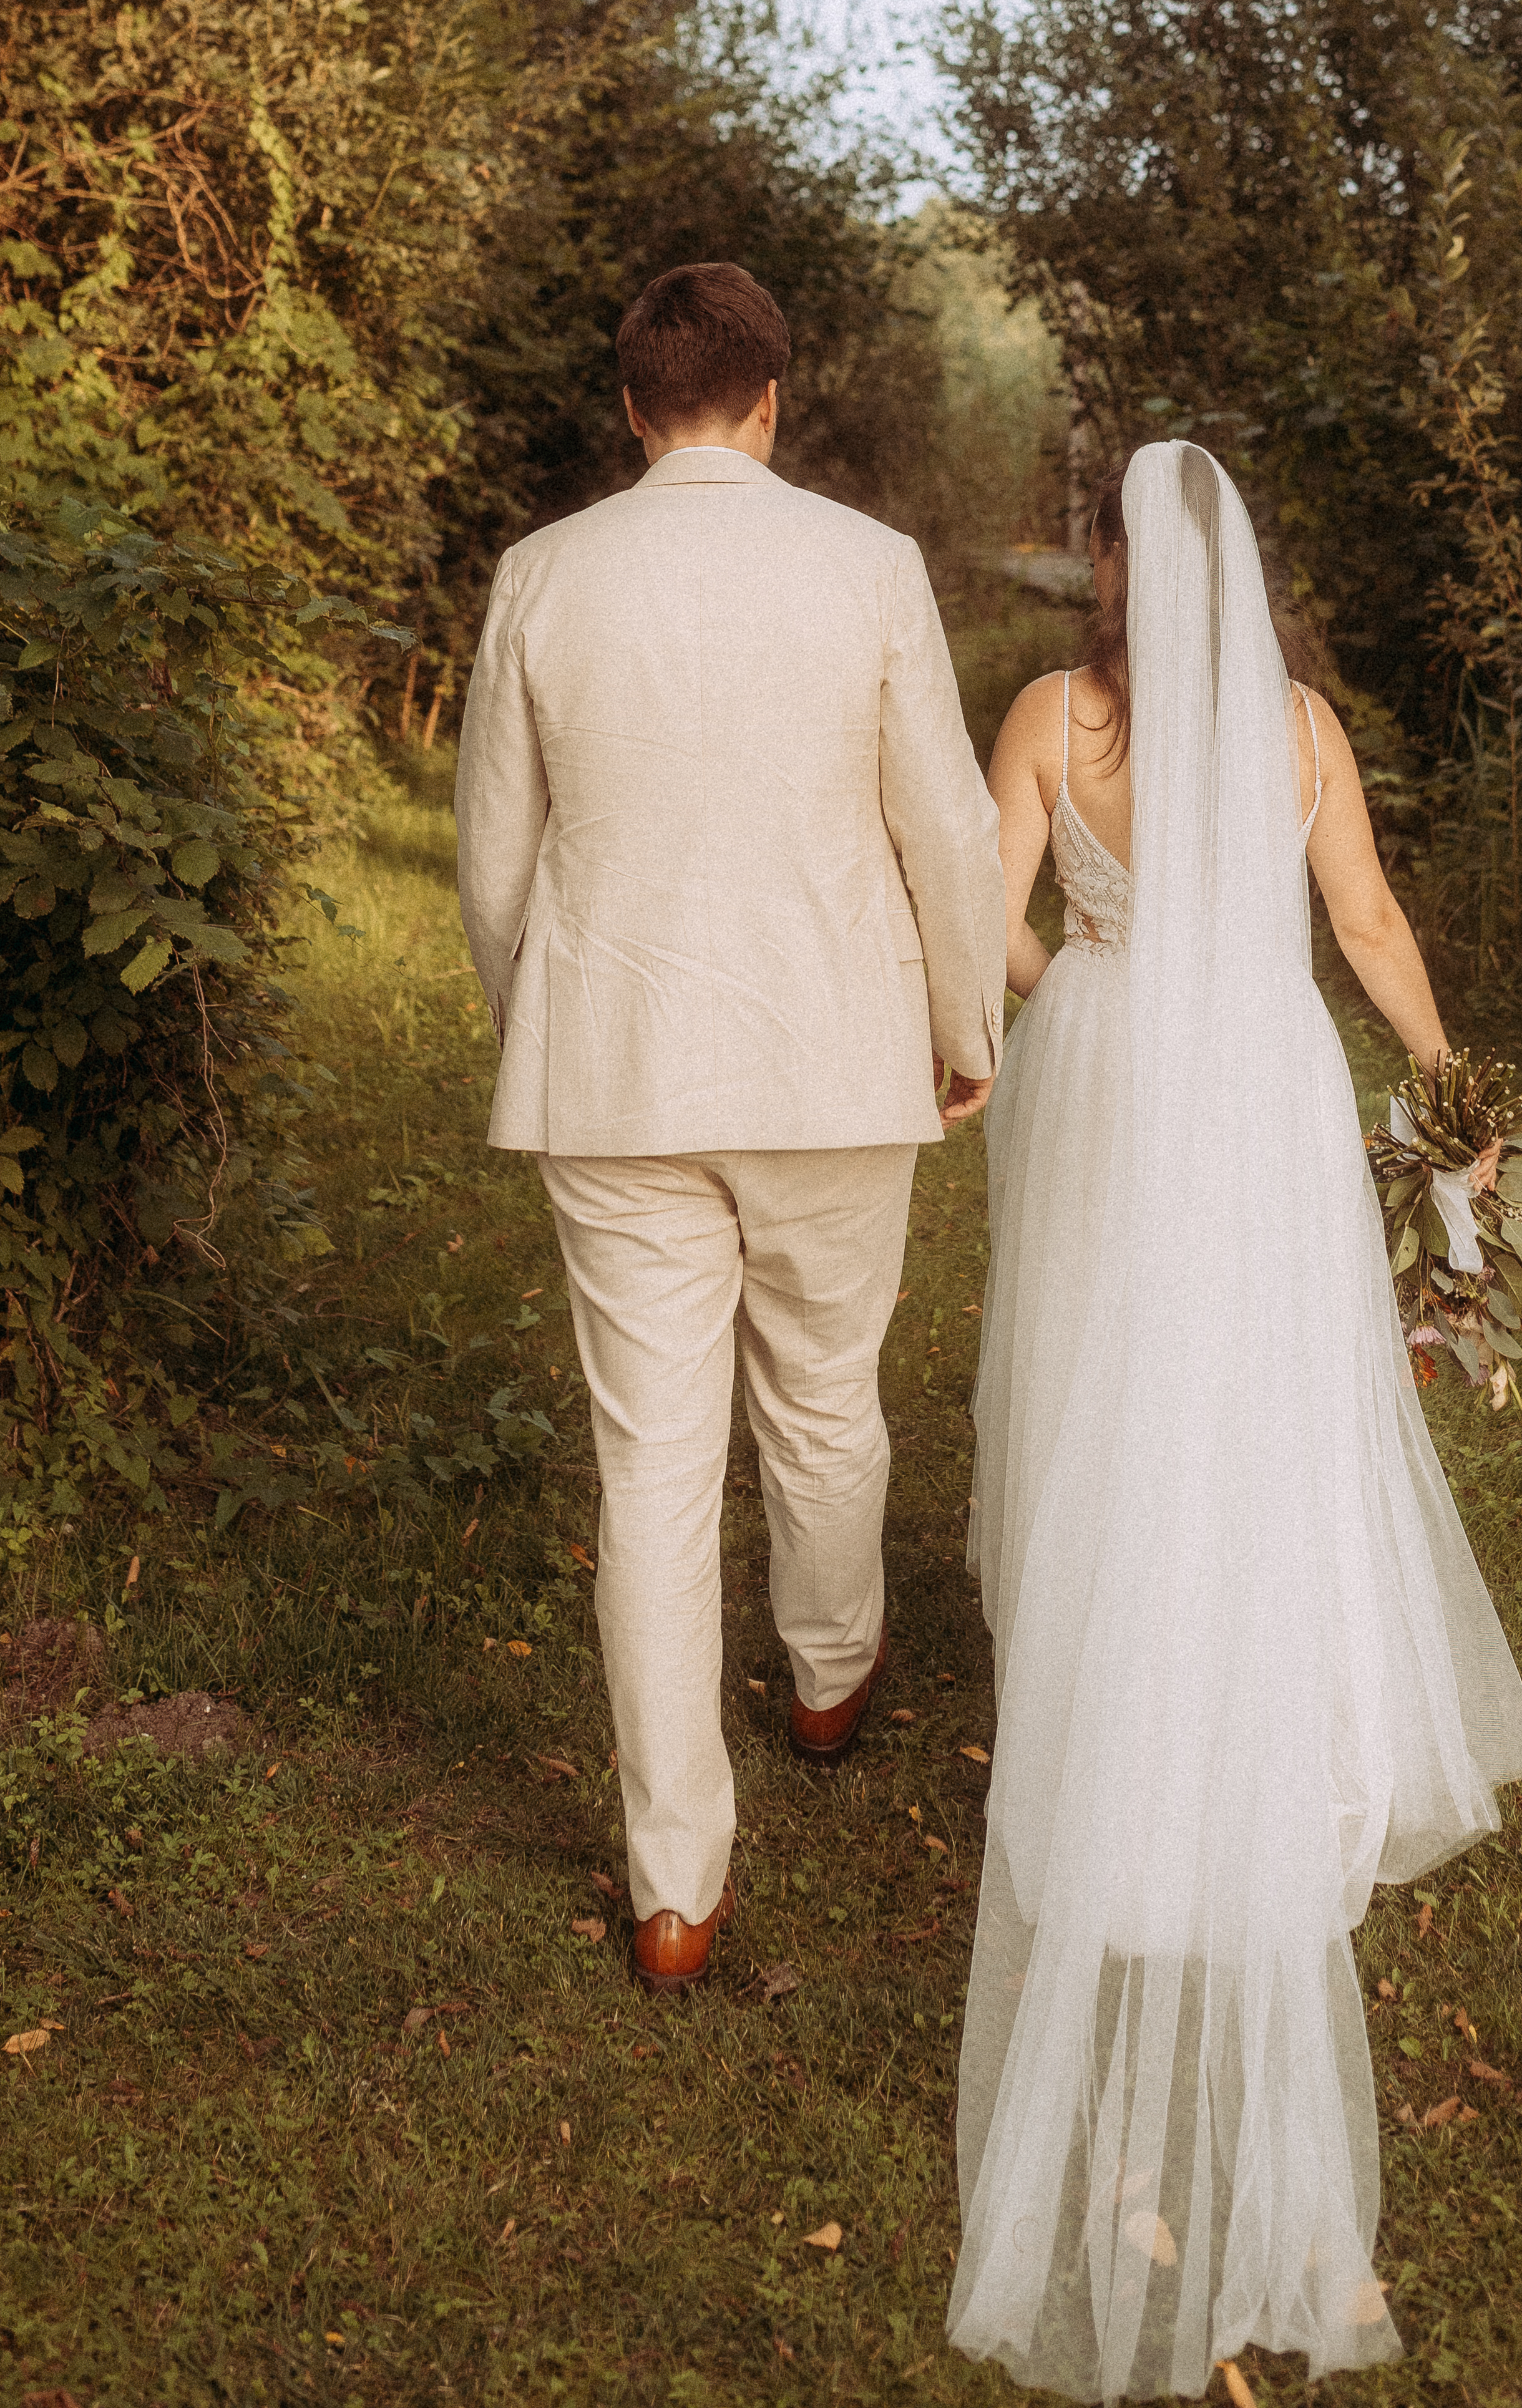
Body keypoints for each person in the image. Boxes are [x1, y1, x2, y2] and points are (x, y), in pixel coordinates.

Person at [949, 441, 1522, 2398]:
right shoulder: (1298, 726)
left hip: (1121, 1083)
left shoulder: (1056, 713)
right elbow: (1363, 928)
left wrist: (1056, 995)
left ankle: (1121, 1764)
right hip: (1267, 1091)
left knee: (1110, 1434)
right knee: (1257, 1433)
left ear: (1119, 571)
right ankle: (1250, 1733)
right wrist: (1458, 1098)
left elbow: (979, 920)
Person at [455, 261, 1008, 1989]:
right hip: (835, 1056)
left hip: (615, 1070)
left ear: (634, 407)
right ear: (773, 400)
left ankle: (675, 1885)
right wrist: (964, 1018)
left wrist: (537, 1014)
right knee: (827, 1388)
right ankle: (831, 1678)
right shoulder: (868, 569)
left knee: (652, 1463)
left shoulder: (543, 576)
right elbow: (944, 829)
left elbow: (493, 858)